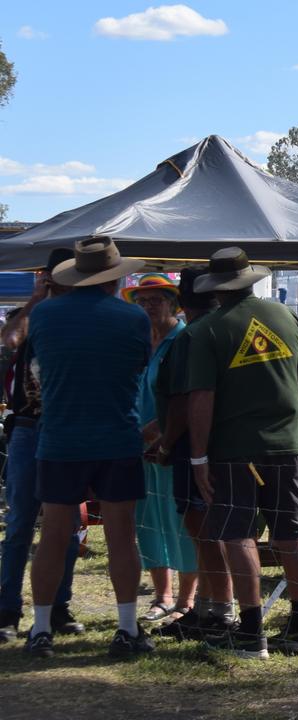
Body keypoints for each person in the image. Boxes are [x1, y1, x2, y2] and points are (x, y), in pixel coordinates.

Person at [186, 247, 298, 659]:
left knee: (238, 533)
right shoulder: (286, 317)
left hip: (234, 450)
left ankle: (251, 633)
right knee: (292, 533)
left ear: (215, 288)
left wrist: (197, 458)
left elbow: (201, 398)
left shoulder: (206, 330)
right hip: (288, 446)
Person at [24, 237, 153, 659]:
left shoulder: (43, 315)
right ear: (113, 278)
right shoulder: (133, 318)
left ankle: (41, 629)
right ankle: (127, 627)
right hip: (117, 437)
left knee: (53, 538)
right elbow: (137, 366)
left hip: (60, 438)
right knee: (121, 538)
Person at [0, 249, 85, 645]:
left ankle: (58, 606)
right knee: (19, 524)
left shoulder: (85, 313)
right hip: (29, 428)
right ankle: (7, 610)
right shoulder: (33, 313)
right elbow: (9, 341)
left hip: (68, 429)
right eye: (55, 275)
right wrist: (36, 299)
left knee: (67, 527)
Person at [148, 267, 235, 641]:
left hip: (195, 445)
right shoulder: (227, 329)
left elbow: (186, 400)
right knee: (206, 529)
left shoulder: (193, 336)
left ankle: (220, 612)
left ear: (181, 301)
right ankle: (205, 608)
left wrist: (168, 442)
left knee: (203, 529)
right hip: (225, 441)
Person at [124, 273, 198, 626]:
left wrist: (157, 432)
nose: (149, 306)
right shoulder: (138, 341)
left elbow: (185, 397)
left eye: (156, 300)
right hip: (137, 447)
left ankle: (187, 599)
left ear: (173, 303)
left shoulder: (183, 340)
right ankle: (161, 595)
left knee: (180, 520)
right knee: (148, 519)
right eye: (142, 301)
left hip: (174, 443)